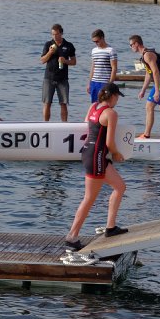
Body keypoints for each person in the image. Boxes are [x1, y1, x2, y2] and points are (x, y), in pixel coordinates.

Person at [63, 82, 128, 250]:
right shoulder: (111, 113)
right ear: (113, 97)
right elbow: (109, 142)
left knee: (120, 187)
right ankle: (72, 236)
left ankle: (111, 227)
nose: (117, 101)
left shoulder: (93, 107)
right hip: (97, 156)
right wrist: (116, 153)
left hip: (88, 152)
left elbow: (88, 125)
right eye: (117, 97)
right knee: (89, 198)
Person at [129, 35, 160, 140]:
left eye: (131, 45)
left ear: (136, 44)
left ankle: (146, 135)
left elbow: (156, 72)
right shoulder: (145, 55)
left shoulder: (147, 55)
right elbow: (149, 74)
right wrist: (143, 90)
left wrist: (157, 91)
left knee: (149, 107)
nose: (130, 47)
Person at [40, 23, 76, 122]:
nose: (54, 36)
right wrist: (50, 52)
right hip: (49, 77)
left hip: (63, 78)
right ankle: (45, 124)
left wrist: (65, 61)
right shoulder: (48, 44)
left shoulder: (68, 45)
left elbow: (74, 62)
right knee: (47, 102)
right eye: (53, 34)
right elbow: (42, 60)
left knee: (63, 103)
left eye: (56, 34)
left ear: (61, 33)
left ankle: (64, 124)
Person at [86, 29, 117, 104]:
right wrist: (89, 83)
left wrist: (110, 84)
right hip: (94, 82)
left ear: (102, 38)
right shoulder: (94, 51)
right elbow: (93, 67)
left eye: (97, 41)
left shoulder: (111, 50)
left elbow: (114, 68)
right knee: (94, 104)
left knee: (104, 104)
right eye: (94, 42)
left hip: (105, 82)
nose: (96, 43)